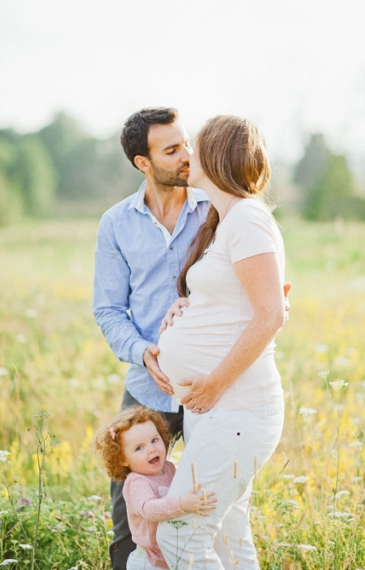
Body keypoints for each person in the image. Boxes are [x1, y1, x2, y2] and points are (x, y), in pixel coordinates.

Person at [154, 115, 285, 569]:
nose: (187, 154)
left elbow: (271, 313)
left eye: (197, 145)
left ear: (218, 155)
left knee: (177, 535)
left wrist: (212, 383)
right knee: (230, 541)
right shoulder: (224, 221)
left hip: (235, 409)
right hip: (213, 413)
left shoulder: (248, 218)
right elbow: (237, 301)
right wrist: (186, 307)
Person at [93, 107, 209, 569]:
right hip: (147, 389)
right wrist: (145, 353)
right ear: (143, 162)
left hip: (211, 387)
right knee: (128, 512)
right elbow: (108, 310)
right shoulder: (116, 223)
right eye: (172, 149)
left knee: (210, 496)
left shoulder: (214, 209)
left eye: (187, 143)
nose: (188, 156)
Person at [95, 406, 216, 569]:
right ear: (123, 459)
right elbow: (148, 509)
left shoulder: (168, 468)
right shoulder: (137, 482)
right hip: (148, 561)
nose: (151, 449)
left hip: (170, 553)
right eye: (139, 448)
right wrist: (181, 504)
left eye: (154, 440)